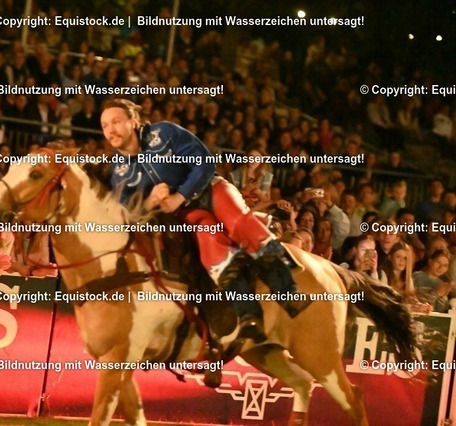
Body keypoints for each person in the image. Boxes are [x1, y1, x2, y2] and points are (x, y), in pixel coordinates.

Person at [101, 98, 304, 342]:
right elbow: (126, 215)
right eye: (105, 126)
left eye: (116, 122)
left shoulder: (163, 133)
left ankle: (289, 290)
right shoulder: (119, 171)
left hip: (211, 189)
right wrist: (150, 201)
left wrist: (179, 196)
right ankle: (249, 316)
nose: (110, 130)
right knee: (213, 248)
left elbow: (204, 162)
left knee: (239, 223)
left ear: (133, 121)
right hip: (185, 215)